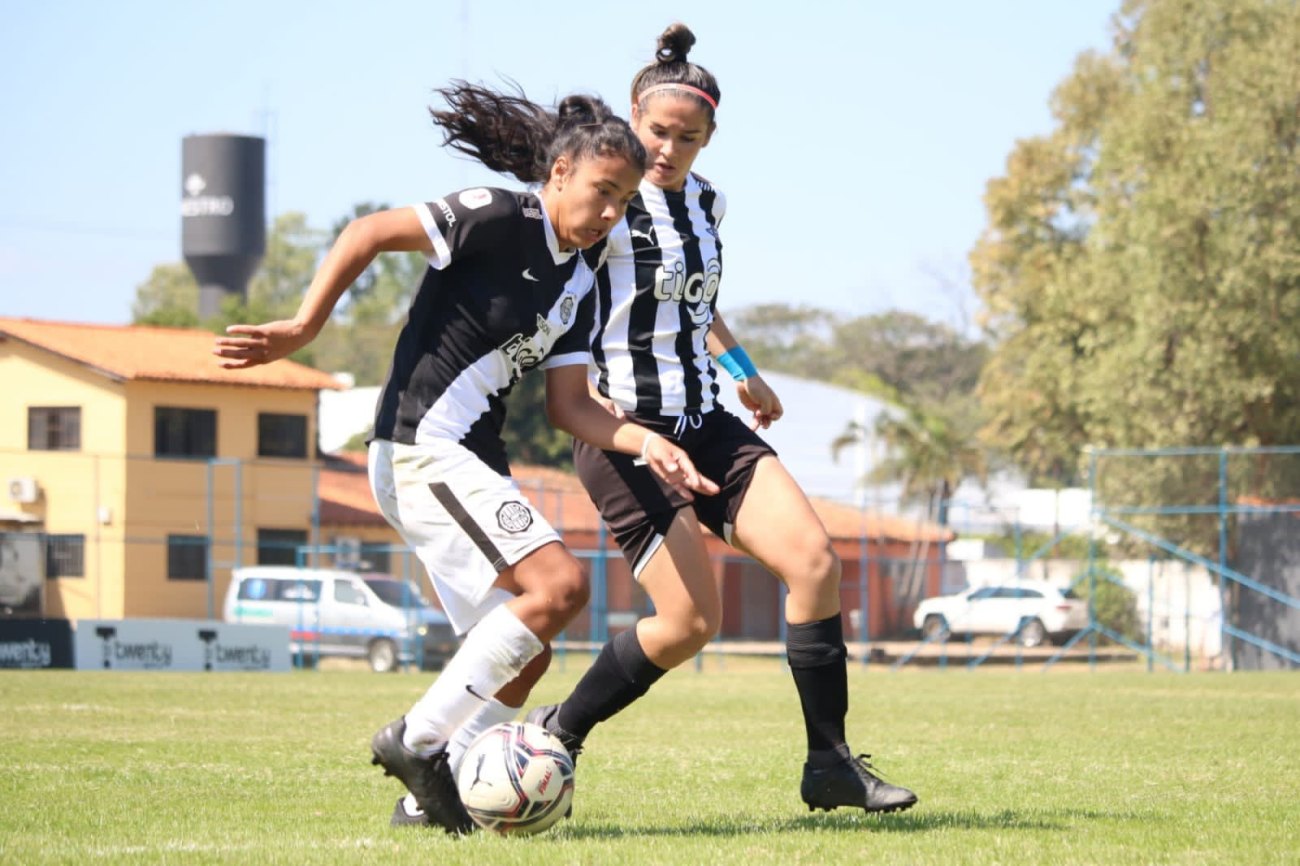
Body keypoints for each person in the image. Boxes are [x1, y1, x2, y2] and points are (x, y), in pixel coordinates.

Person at [213, 82, 718, 834]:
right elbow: (367, 232)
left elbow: (570, 407)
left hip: (466, 459)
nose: (612, 212)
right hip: (422, 446)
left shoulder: (580, 277)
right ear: (558, 176)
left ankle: (426, 803)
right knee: (559, 587)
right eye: (601, 193)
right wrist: (302, 325)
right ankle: (415, 742)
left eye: (623, 199)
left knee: (530, 656)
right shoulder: (497, 216)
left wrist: (649, 441)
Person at [527, 24, 918, 816]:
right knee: (688, 624)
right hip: (625, 436)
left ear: (710, 140)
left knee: (813, 562)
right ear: (632, 118)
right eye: (657, 132)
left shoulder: (709, 203)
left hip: (708, 421)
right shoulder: (603, 202)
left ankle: (830, 763)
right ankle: (558, 732)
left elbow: (693, 301)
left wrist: (745, 372)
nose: (669, 149)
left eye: (688, 138)